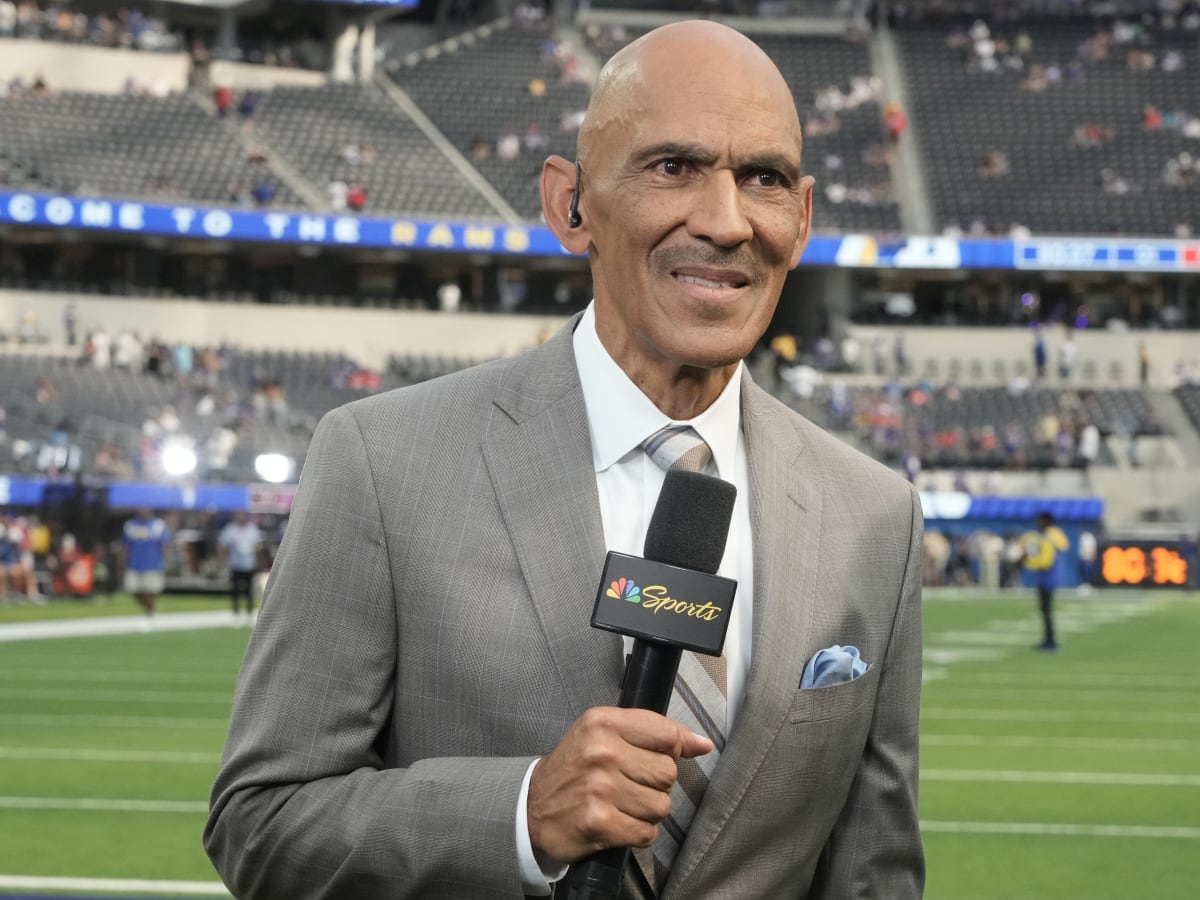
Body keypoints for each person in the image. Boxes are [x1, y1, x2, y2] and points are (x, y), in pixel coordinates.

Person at [205, 21, 925, 899]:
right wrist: (520, 814)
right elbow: (260, 824)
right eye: (673, 168)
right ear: (570, 205)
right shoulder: (383, 462)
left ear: (802, 217)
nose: (727, 221)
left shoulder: (874, 516)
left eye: (763, 179)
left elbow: (872, 873)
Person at [1020, 511, 1070, 651]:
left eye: (1039, 520)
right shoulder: (1054, 535)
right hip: (1048, 577)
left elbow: (1044, 561)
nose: (1037, 523)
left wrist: (1028, 562)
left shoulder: (1047, 537)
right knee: (1045, 610)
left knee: (1046, 610)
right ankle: (1049, 639)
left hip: (1047, 578)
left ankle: (1050, 640)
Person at [121, 507, 171, 620]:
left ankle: (150, 611)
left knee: (151, 590)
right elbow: (125, 546)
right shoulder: (131, 526)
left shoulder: (158, 525)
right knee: (132, 589)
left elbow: (164, 545)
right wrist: (123, 563)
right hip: (134, 564)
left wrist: (165, 561)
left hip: (152, 564)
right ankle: (149, 608)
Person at [218, 511, 263, 624]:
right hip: (236, 564)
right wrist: (224, 559)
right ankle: (236, 613)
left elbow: (258, 546)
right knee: (235, 590)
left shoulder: (252, 530)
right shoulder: (230, 529)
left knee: (249, 590)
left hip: (249, 564)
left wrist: (259, 561)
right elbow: (223, 545)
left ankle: (249, 613)